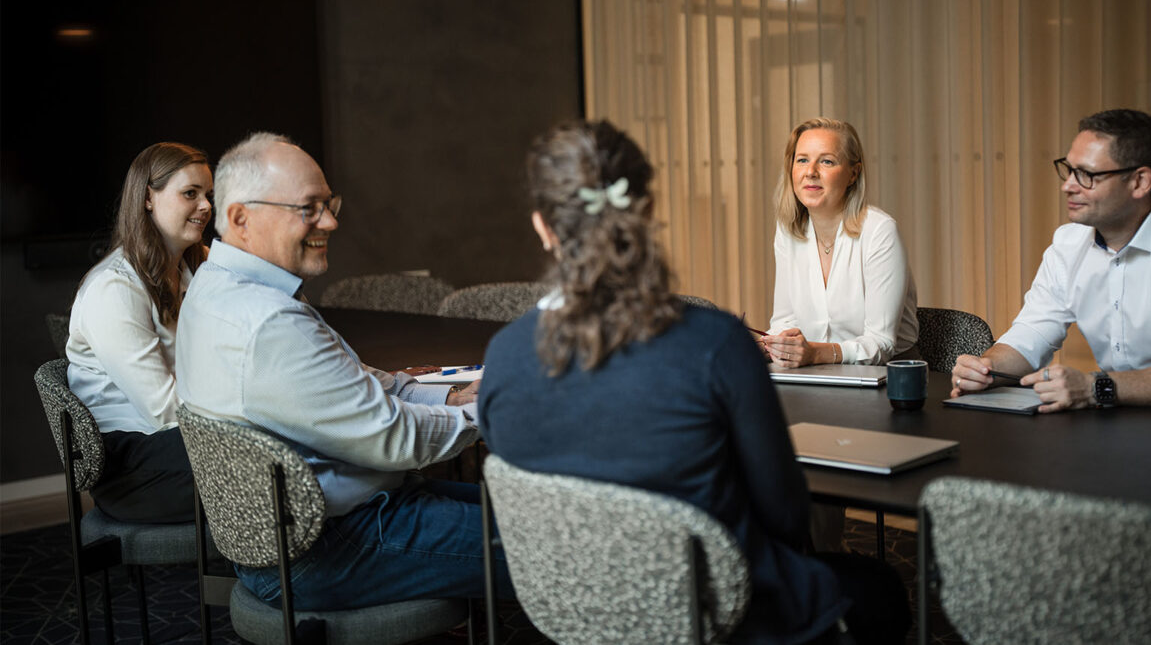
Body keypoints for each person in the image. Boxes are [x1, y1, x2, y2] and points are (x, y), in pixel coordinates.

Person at [478, 120, 910, 645]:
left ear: (543, 227)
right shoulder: (715, 345)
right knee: (883, 590)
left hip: (571, 614)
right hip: (722, 612)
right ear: (647, 214)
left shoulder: (502, 358)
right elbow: (787, 515)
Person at [175, 132, 509, 609]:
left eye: (329, 203)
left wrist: (452, 398)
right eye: (308, 207)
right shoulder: (268, 322)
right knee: (561, 544)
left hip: (290, 533)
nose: (330, 221)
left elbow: (345, 383)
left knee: (540, 518)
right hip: (328, 547)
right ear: (241, 218)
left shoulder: (218, 287)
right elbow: (395, 439)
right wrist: (495, 411)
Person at [952, 108, 1151, 410]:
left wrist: (1094, 386)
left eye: (1087, 174)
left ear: (1139, 182)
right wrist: (985, 369)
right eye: (1069, 170)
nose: (1067, 185)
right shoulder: (1068, 243)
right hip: (1120, 420)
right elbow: (1031, 335)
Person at [66, 142, 212, 523]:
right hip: (133, 465)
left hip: (184, 436)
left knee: (289, 442)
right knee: (275, 455)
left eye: (208, 195)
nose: (206, 206)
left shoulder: (195, 268)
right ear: (149, 197)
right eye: (190, 194)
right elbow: (165, 411)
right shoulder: (114, 289)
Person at [762, 118, 919, 368]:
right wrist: (773, 344)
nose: (810, 171)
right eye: (802, 159)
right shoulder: (788, 231)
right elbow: (785, 320)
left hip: (887, 375)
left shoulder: (880, 231)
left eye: (826, 161)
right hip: (813, 372)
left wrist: (817, 353)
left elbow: (881, 343)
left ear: (853, 174)